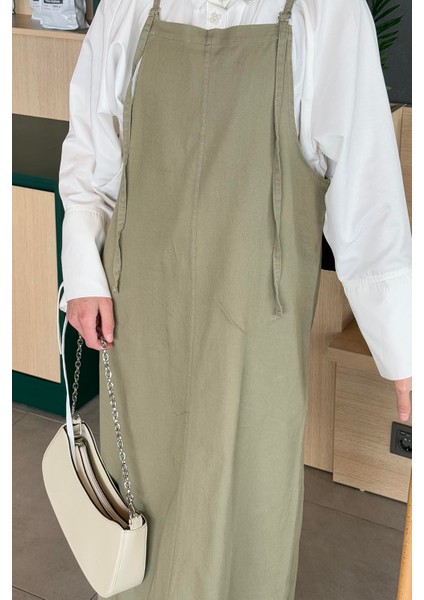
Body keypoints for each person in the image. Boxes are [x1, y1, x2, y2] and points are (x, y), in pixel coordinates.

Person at [58, 0, 412, 598]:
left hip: (258, 313)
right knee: (143, 495)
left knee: (249, 489)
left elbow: (365, 184)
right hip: (143, 301)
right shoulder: (130, 5)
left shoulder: (327, 12)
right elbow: (94, 144)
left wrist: (403, 350)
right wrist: (85, 272)